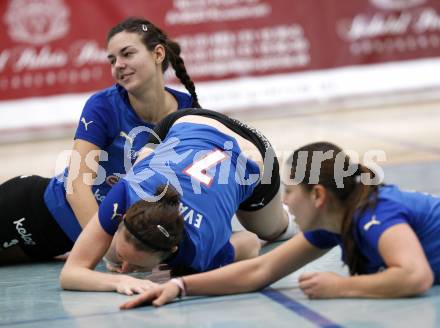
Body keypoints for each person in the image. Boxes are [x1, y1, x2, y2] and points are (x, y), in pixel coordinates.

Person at [119, 140, 440, 308]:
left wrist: (340, 287)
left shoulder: (376, 213)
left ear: (317, 195)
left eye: (289, 191)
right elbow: (261, 270)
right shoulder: (332, 225)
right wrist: (181, 286)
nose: (284, 201)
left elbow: (415, 276)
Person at [0, 17, 200, 265]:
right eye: (112, 60)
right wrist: (111, 249)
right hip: (25, 212)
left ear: (158, 54)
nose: (118, 65)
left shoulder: (190, 114)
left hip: (53, 245)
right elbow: (76, 186)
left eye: (127, 54)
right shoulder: (104, 105)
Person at [60, 108, 298, 294]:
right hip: (187, 122)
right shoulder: (127, 190)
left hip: (251, 150)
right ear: (123, 216)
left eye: (136, 268)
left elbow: (251, 241)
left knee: (272, 230)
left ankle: (290, 211)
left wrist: (178, 274)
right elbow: (69, 274)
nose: (126, 271)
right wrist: (118, 281)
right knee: (110, 252)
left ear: (174, 250)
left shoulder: (199, 250)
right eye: (128, 263)